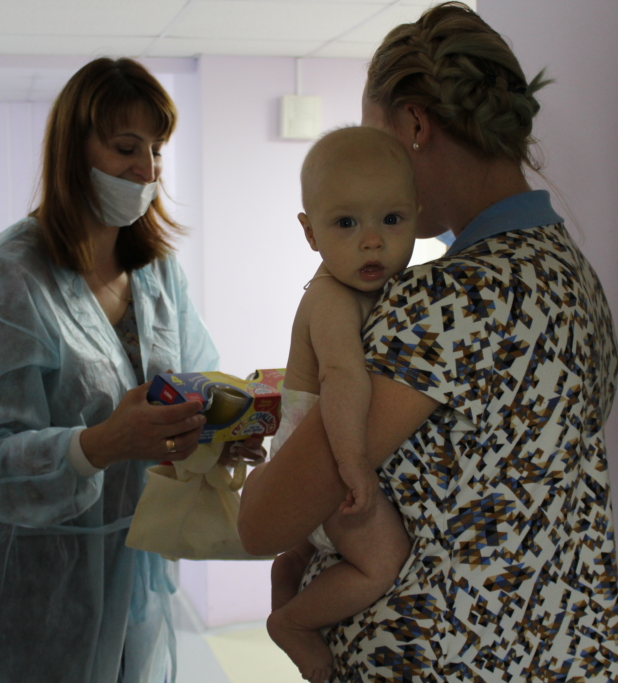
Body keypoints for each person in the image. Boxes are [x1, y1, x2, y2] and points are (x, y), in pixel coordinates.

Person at [239, 3, 618, 682]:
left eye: (374, 143)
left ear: (415, 126)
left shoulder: (445, 299)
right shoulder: (573, 277)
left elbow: (265, 522)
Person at [0, 58, 261, 683]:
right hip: (31, 583)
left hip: (134, 574)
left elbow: (196, 380)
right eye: (126, 148)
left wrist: (225, 427)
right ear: (73, 152)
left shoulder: (156, 273)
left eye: (156, 150)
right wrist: (100, 445)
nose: (147, 170)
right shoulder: (8, 276)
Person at [266, 126, 415, 683]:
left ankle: (288, 577)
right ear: (310, 232)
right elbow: (342, 377)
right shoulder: (332, 295)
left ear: (418, 216)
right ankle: (293, 625)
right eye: (346, 223)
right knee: (381, 561)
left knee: (303, 553)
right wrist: (353, 462)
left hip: (315, 435)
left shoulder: (376, 289)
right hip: (328, 445)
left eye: (391, 219)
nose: (371, 241)